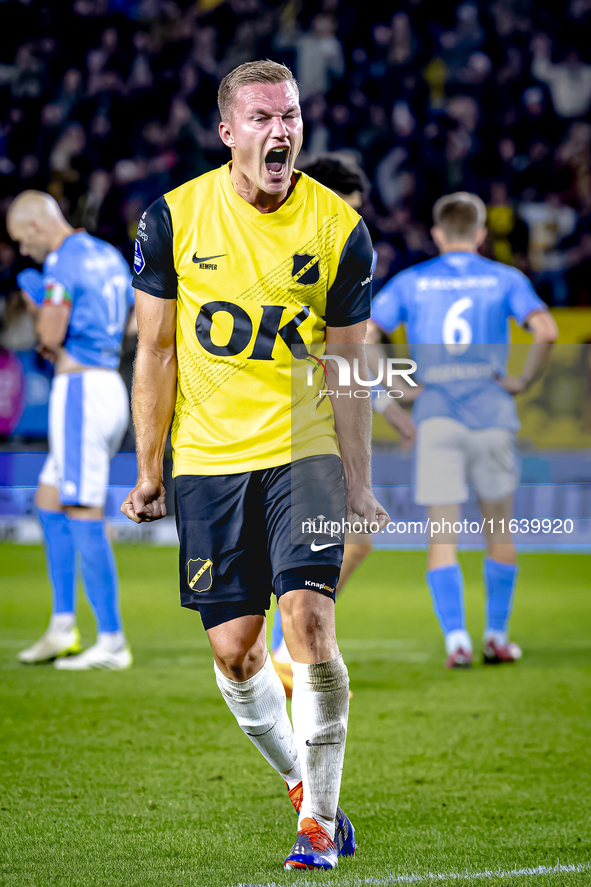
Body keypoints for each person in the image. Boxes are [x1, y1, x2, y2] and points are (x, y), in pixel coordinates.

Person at [120, 60, 388, 871]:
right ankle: (305, 789)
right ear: (228, 130)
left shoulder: (337, 228)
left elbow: (349, 368)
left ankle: (319, 824)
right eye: (264, 117)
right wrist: (148, 467)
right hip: (207, 458)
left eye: (292, 116)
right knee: (236, 650)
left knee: (307, 620)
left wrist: (360, 480)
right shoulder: (172, 218)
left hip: (300, 447)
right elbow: (157, 348)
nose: (281, 130)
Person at [368, 191, 558, 668]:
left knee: (442, 535)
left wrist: (394, 386)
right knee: (499, 530)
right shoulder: (506, 278)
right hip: (493, 414)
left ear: (436, 234)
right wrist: (523, 379)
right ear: (480, 234)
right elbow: (547, 331)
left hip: (435, 417)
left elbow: (365, 335)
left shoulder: (412, 281)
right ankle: (496, 635)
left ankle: (457, 641)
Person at [269, 154, 416, 695]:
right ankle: (286, 647)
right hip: (291, 415)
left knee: (352, 536)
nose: (348, 223)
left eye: (355, 212)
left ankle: (289, 645)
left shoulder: (346, 251)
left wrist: (387, 406)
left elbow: (354, 350)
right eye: (342, 208)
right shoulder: (288, 253)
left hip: (323, 413)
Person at [7, 191, 134, 671]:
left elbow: (51, 337)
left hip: (80, 392)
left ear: (38, 227)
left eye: (22, 240)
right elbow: (127, 326)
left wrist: (37, 302)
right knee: (49, 498)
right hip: (107, 385)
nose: (23, 250)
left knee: (82, 508)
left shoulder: (60, 264)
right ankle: (62, 624)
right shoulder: (108, 256)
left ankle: (112, 639)